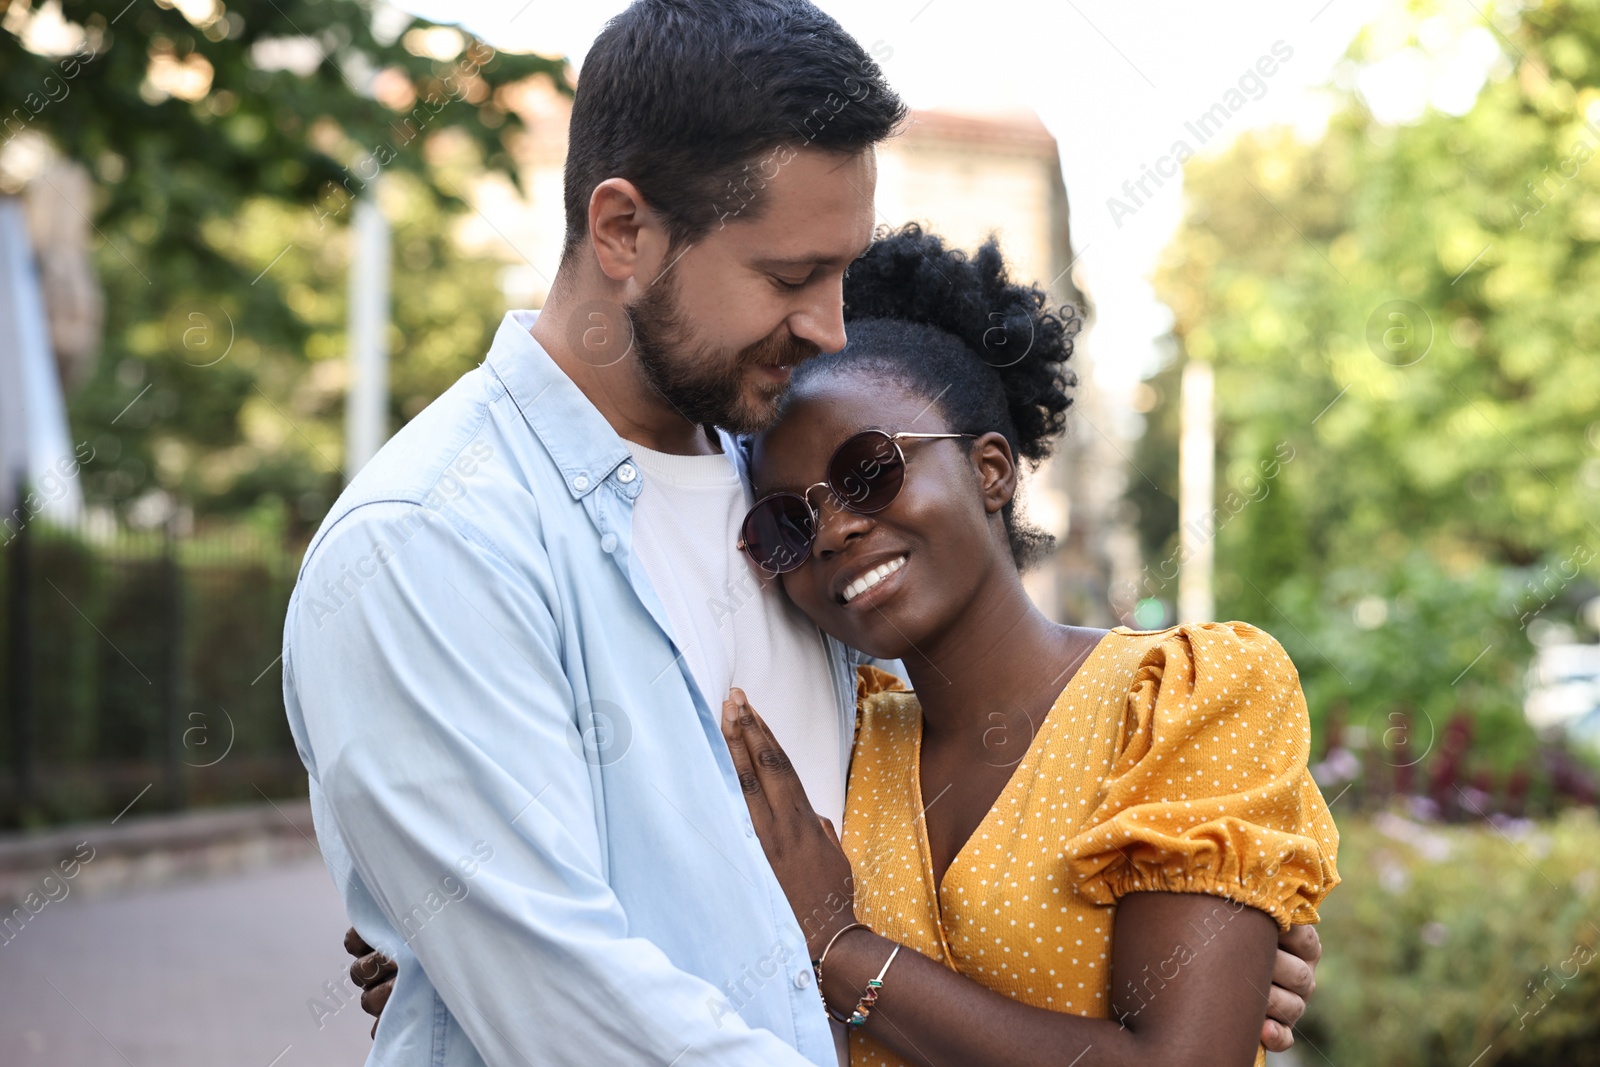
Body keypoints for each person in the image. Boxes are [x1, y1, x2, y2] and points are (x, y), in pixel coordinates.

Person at [302, 2, 1322, 1064]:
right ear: (622, 232)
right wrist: (443, 954)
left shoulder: (782, 506)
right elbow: (560, 999)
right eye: (789, 278)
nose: (830, 326)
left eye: (841, 272)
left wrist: (1211, 934)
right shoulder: (433, 541)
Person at [717, 224, 1340, 1065]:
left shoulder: (1179, 697)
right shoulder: (844, 736)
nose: (834, 530)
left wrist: (843, 950)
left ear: (990, 470)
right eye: (787, 521)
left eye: (869, 470)